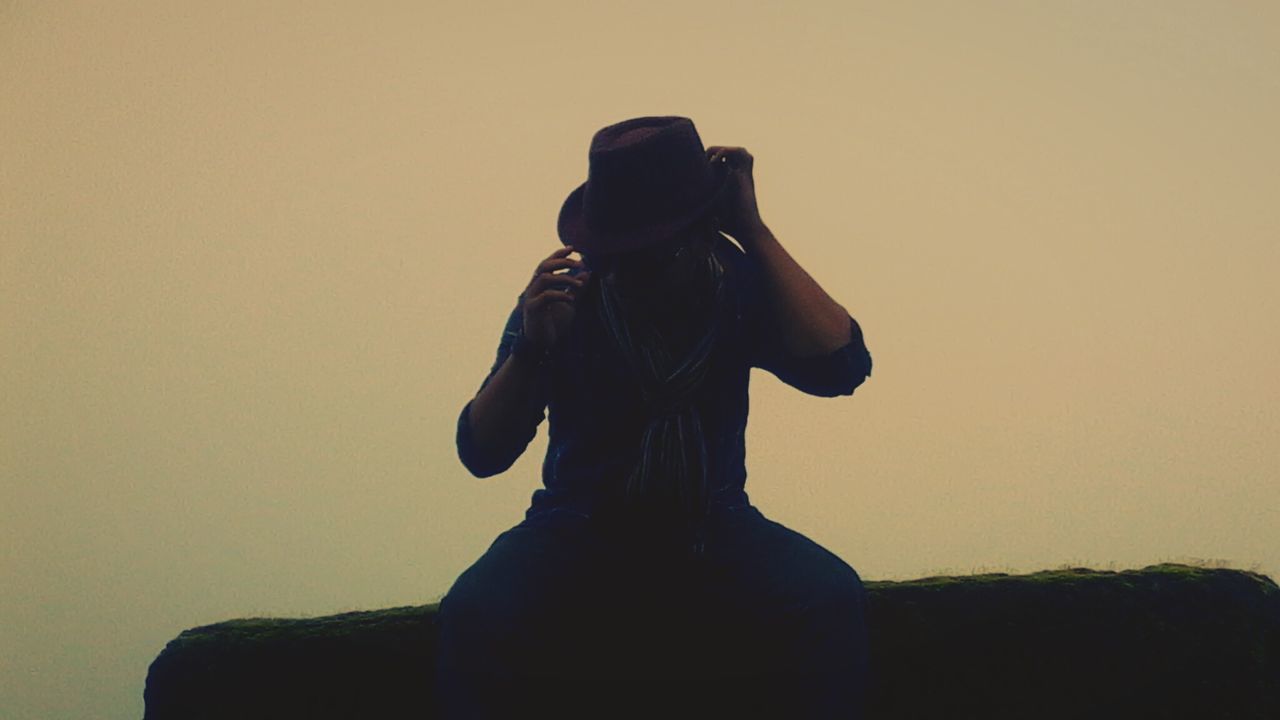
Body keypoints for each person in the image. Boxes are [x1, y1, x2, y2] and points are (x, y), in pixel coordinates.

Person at [433, 116, 874, 719]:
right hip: (577, 524)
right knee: (475, 612)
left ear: (696, 232)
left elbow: (839, 365)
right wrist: (532, 349)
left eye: (653, 248)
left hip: (712, 519)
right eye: (617, 250)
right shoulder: (567, 294)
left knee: (828, 598)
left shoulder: (733, 282)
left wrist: (754, 229)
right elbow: (482, 451)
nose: (631, 267)